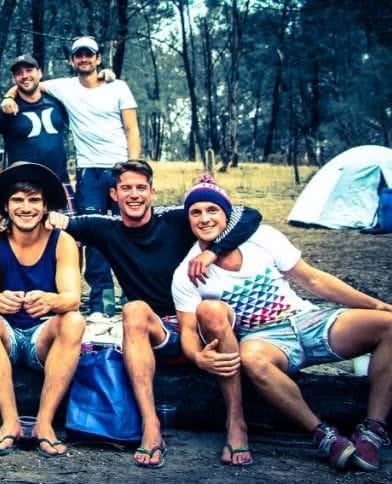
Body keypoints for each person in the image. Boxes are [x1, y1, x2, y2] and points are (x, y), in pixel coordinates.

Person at [172, 175, 392, 471]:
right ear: (188, 220)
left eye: (212, 210)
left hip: (306, 319)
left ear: (227, 214)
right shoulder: (186, 273)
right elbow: (188, 330)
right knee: (252, 358)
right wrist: (197, 356)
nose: (205, 218)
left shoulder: (261, 238)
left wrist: (378, 305)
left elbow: (314, 280)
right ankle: (323, 434)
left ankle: (372, 429)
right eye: (196, 212)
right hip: (264, 339)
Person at [48, 160, 262, 468]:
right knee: (133, 309)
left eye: (140, 188)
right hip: (157, 332)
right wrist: (0, 222)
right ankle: (151, 426)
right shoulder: (105, 228)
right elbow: (53, 220)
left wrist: (212, 252)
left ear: (152, 192)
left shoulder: (175, 219)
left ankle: (236, 423)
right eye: (126, 188)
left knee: (213, 311)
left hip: (200, 322)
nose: (134, 195)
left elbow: (248, 214)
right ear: (114, 194)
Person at [3, 36, 141, 322]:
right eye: (79, 55)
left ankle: (135, 296)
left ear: (98, 58)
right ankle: (101, 303)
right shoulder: (64, 87)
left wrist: (134, 168)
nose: (84, 59)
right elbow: (27, 84)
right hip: (89, 172)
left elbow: (132, 129)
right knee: (93, 236)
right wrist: (8, 97)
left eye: (89, 54)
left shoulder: (118, 87)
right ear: (72, 60)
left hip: (120, 168)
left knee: (130, 230)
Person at [0, 163, 85, 457]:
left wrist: (51, 301)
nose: (26, 208)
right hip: (5, 335)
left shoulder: (62, 241)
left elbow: (72, 298)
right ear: (6, 207)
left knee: (73, 321)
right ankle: (10, 422)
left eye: (34, 200)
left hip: (42, 338)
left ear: (45, 207)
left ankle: (44, 424)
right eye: (18, 200)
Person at [0, 55, 72, 190]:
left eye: (29, 70)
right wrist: (1, 179)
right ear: (14, 79)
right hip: (24, 188)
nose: (25, 76)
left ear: (40, 72)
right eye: (19, 73)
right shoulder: (7, 108)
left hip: (60, 183)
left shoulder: (57, 101)